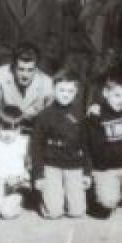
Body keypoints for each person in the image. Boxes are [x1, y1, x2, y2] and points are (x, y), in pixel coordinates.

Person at [32, 70, 90, 219]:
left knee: (77, 212)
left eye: (70, 91)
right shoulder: (44, 115)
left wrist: (86, 172)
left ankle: (65, 196)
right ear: (54, 89)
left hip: (74, 166)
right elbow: (36, 147)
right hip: (51, 166)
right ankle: (47, 198)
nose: (66, 94)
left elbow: (86, 145)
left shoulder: (80, 114)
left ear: (76, 92)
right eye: (62, 90)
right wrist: (38, 175)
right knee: (53, 213)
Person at [62, 0, 122, 87]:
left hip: (98, 66)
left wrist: (105, 65)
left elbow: (117, 40)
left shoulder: (112, 3)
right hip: (74, 66)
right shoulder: (68, 3)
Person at [84, 73, 122, 218]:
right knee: (107, 205)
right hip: (105, 167)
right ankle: (91, 192)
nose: (121, 101)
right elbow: (99, 154)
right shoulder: (96, 116)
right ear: (106, 93)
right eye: (117, 96)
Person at [0, 42, 54, 134]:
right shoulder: (0, 75)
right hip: (4, 128)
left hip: (32, 130)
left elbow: (50, 118)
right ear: (13, 67)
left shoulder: (47, 83)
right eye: (21, 69)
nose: (25, 75)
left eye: (30, 70)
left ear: (36, 69)